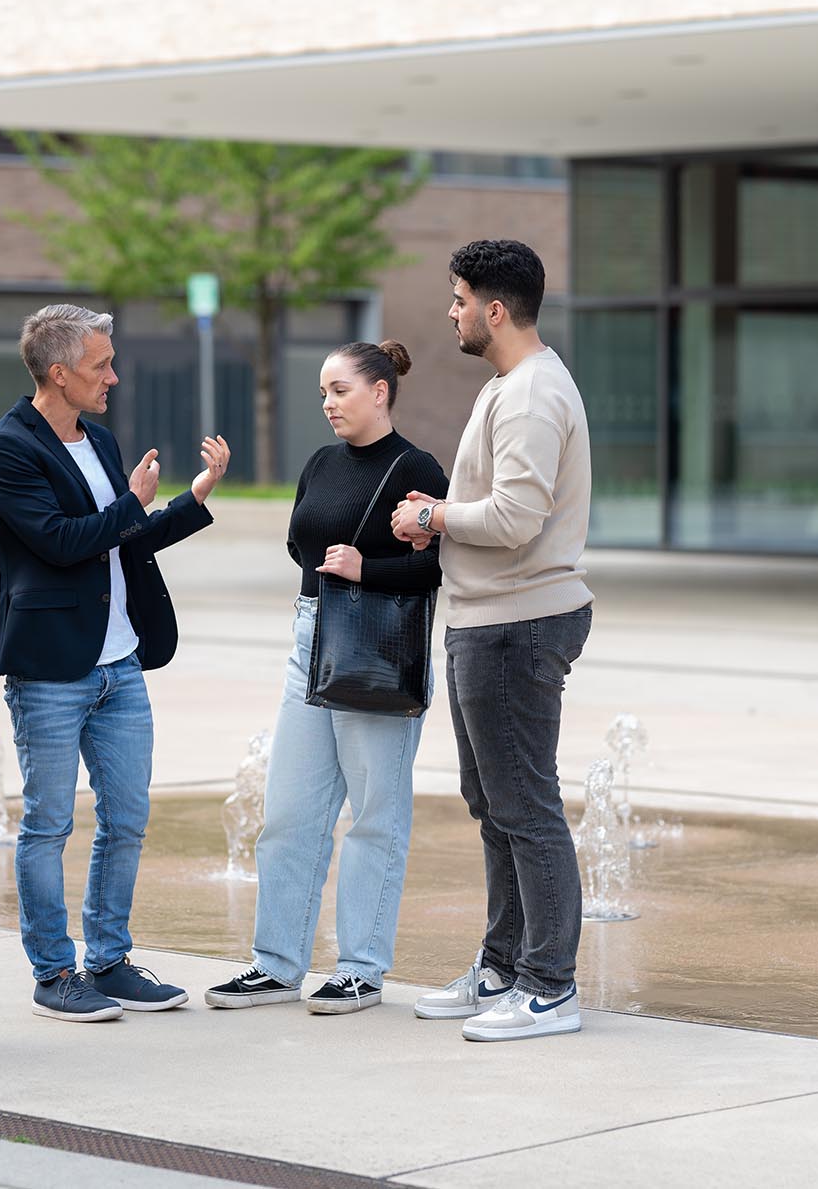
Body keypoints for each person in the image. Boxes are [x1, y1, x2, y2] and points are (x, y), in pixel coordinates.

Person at [0, 304, 228, 1022]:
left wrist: (188, 501)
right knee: (48, 824)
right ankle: (54, 973)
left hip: (121, 664)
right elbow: (60, 541)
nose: (113, 376)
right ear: (59, 373)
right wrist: (130, 504)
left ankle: (110, 961)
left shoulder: (100, 437)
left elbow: (127, 540)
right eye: (101, 365)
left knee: (128, 817)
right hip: (53, 669)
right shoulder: (8, 448)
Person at [390, 239, 595, 1043]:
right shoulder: (510, 386)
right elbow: (498, 505)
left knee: (525, 805)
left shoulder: (534, 392)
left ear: (494, 309)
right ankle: (504, 965)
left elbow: (514, 519)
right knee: (495, 805)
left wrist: (434, 516)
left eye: (458, 298)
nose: (451, 312)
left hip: (517, 620)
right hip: (488, 616)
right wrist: (435, 516)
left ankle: (549, 986)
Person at [206, 341, 449, 1015]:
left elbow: (435, 570)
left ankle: (361, 969)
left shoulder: (416, 467)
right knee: (288, 812)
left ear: (380, 391)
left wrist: (366, 569)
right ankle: (276, 963)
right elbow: (302, 546)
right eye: (322, 392)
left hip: (377, 646)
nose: (328, 403)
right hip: (310, 641)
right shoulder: (319, 463)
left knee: (374, 815)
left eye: (340, 390)